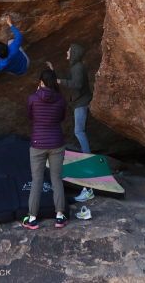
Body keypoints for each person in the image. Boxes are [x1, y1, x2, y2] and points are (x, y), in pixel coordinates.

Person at [48, 43, 94, 203]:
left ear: (73, 53)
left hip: (81, 102)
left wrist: (60, 81)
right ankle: (86, 154)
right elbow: (72, 80)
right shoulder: (76, 67)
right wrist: (55, 73)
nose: (66, 52)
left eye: (69, 50)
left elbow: (77, 84)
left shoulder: (78, 67)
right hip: (79, 102)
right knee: (78, 131)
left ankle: (86, 156)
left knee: (79, 131)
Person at [22, 69, 67, 230]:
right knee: (56, 179)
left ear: (41, 82)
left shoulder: (33, 98)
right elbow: (62, 118)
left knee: (37, 181)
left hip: (38, 143)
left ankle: (32, 218)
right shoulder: (61, 99)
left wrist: (37, 95)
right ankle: (60, 216)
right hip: (56, 142)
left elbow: (30, 116)